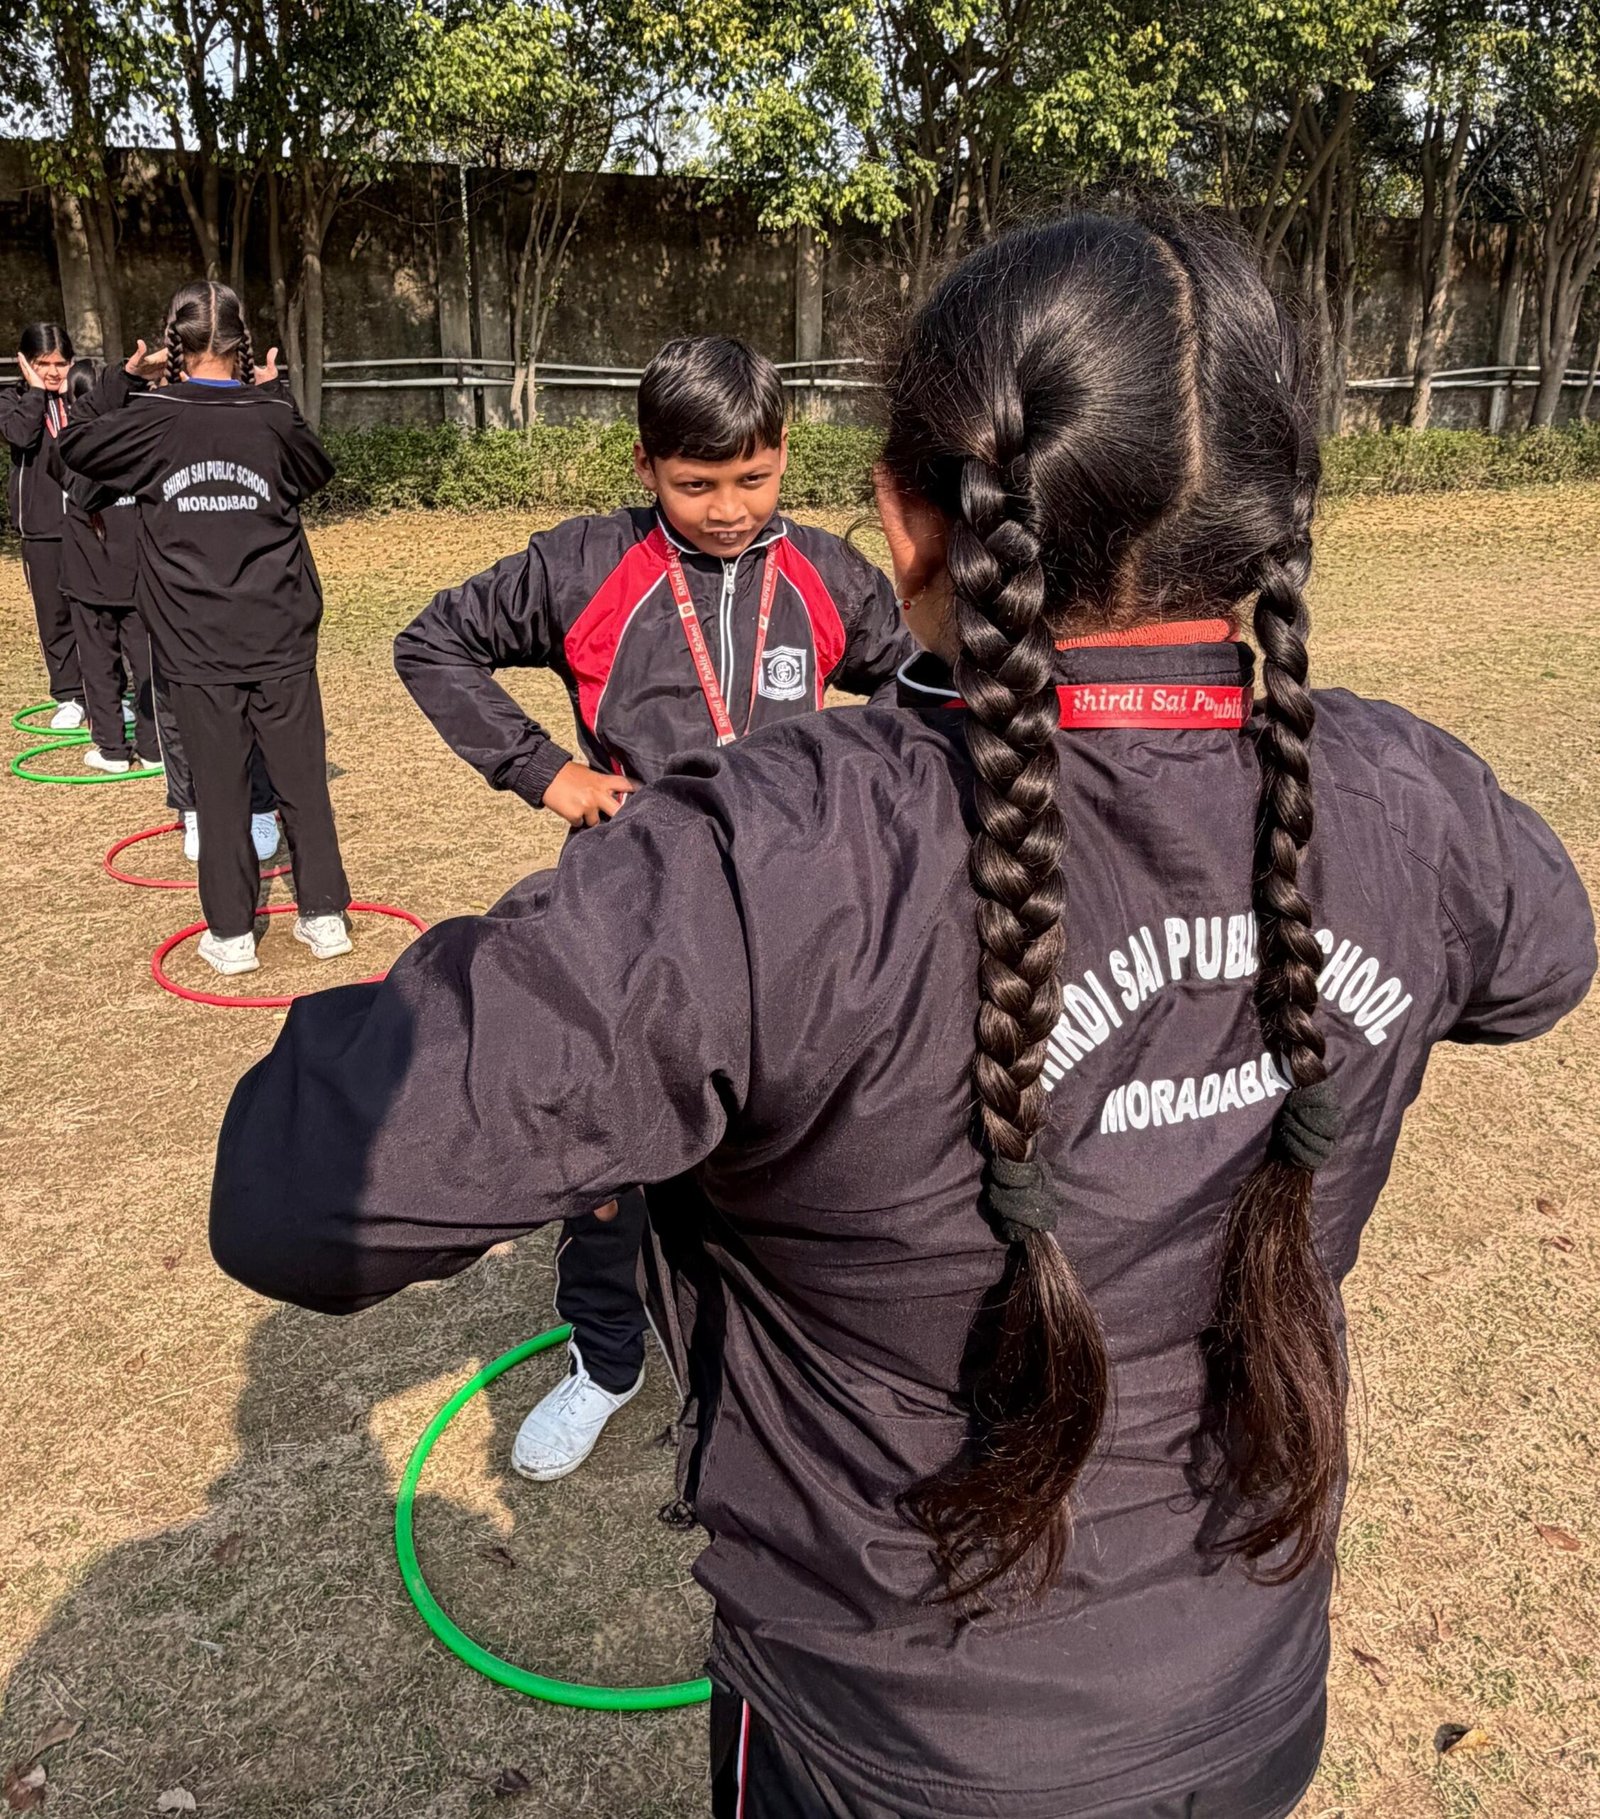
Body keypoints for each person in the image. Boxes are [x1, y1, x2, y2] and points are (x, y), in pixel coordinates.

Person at [210, 214, 1595, 1818]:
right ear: (1277, 518)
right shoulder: (1411, 794)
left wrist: (619, 935)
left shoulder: (770, 857)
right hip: (1245, 1704)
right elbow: (1540, 962)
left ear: (901, 518)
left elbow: (296, 1186)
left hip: (891, 1745)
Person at [393, 334, 909, 1484]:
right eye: (695, 483)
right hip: (630, 919)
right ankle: (607, 1356)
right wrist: (546, 773)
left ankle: (779, 1356)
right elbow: (433, 643)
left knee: (785, 1146)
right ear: (645, 466)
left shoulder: (828, 573)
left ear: (785, 454)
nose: (728, 509)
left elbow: (918, 686)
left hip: (786, 926)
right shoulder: (584, 564)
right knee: (607, 1153)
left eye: (754, 477)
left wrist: (857, 801)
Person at [60, 282, 345, 979]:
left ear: (173, 347)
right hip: (276, 630)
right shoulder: (266, 414)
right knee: (301, 782)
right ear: (244, 344)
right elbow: (317, 468)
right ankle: (325, 917)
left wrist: (124, 380)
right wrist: (276, 394)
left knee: (218, 790)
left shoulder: (154, 414)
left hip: (198, 640)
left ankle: (233, 934)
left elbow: (73, 446)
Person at [58, 360, 162, 775]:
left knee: (100, 667)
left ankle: (114, 750)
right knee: (147, 665)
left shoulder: (70, 452)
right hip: (136, 578)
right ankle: (153, 747)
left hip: (92, 581)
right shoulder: (142, 448)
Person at [2, 324, 86, 728]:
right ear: (25, 363)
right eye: (43, 363)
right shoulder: (12, 399)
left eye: (60, 363)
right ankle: (69, 695)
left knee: (99, 611)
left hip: (89, 520)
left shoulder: (81, 394)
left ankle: (110, 690)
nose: (53, 372)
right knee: (55, 614)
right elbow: (20, 435)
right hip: (42, 526)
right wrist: (36, 392)